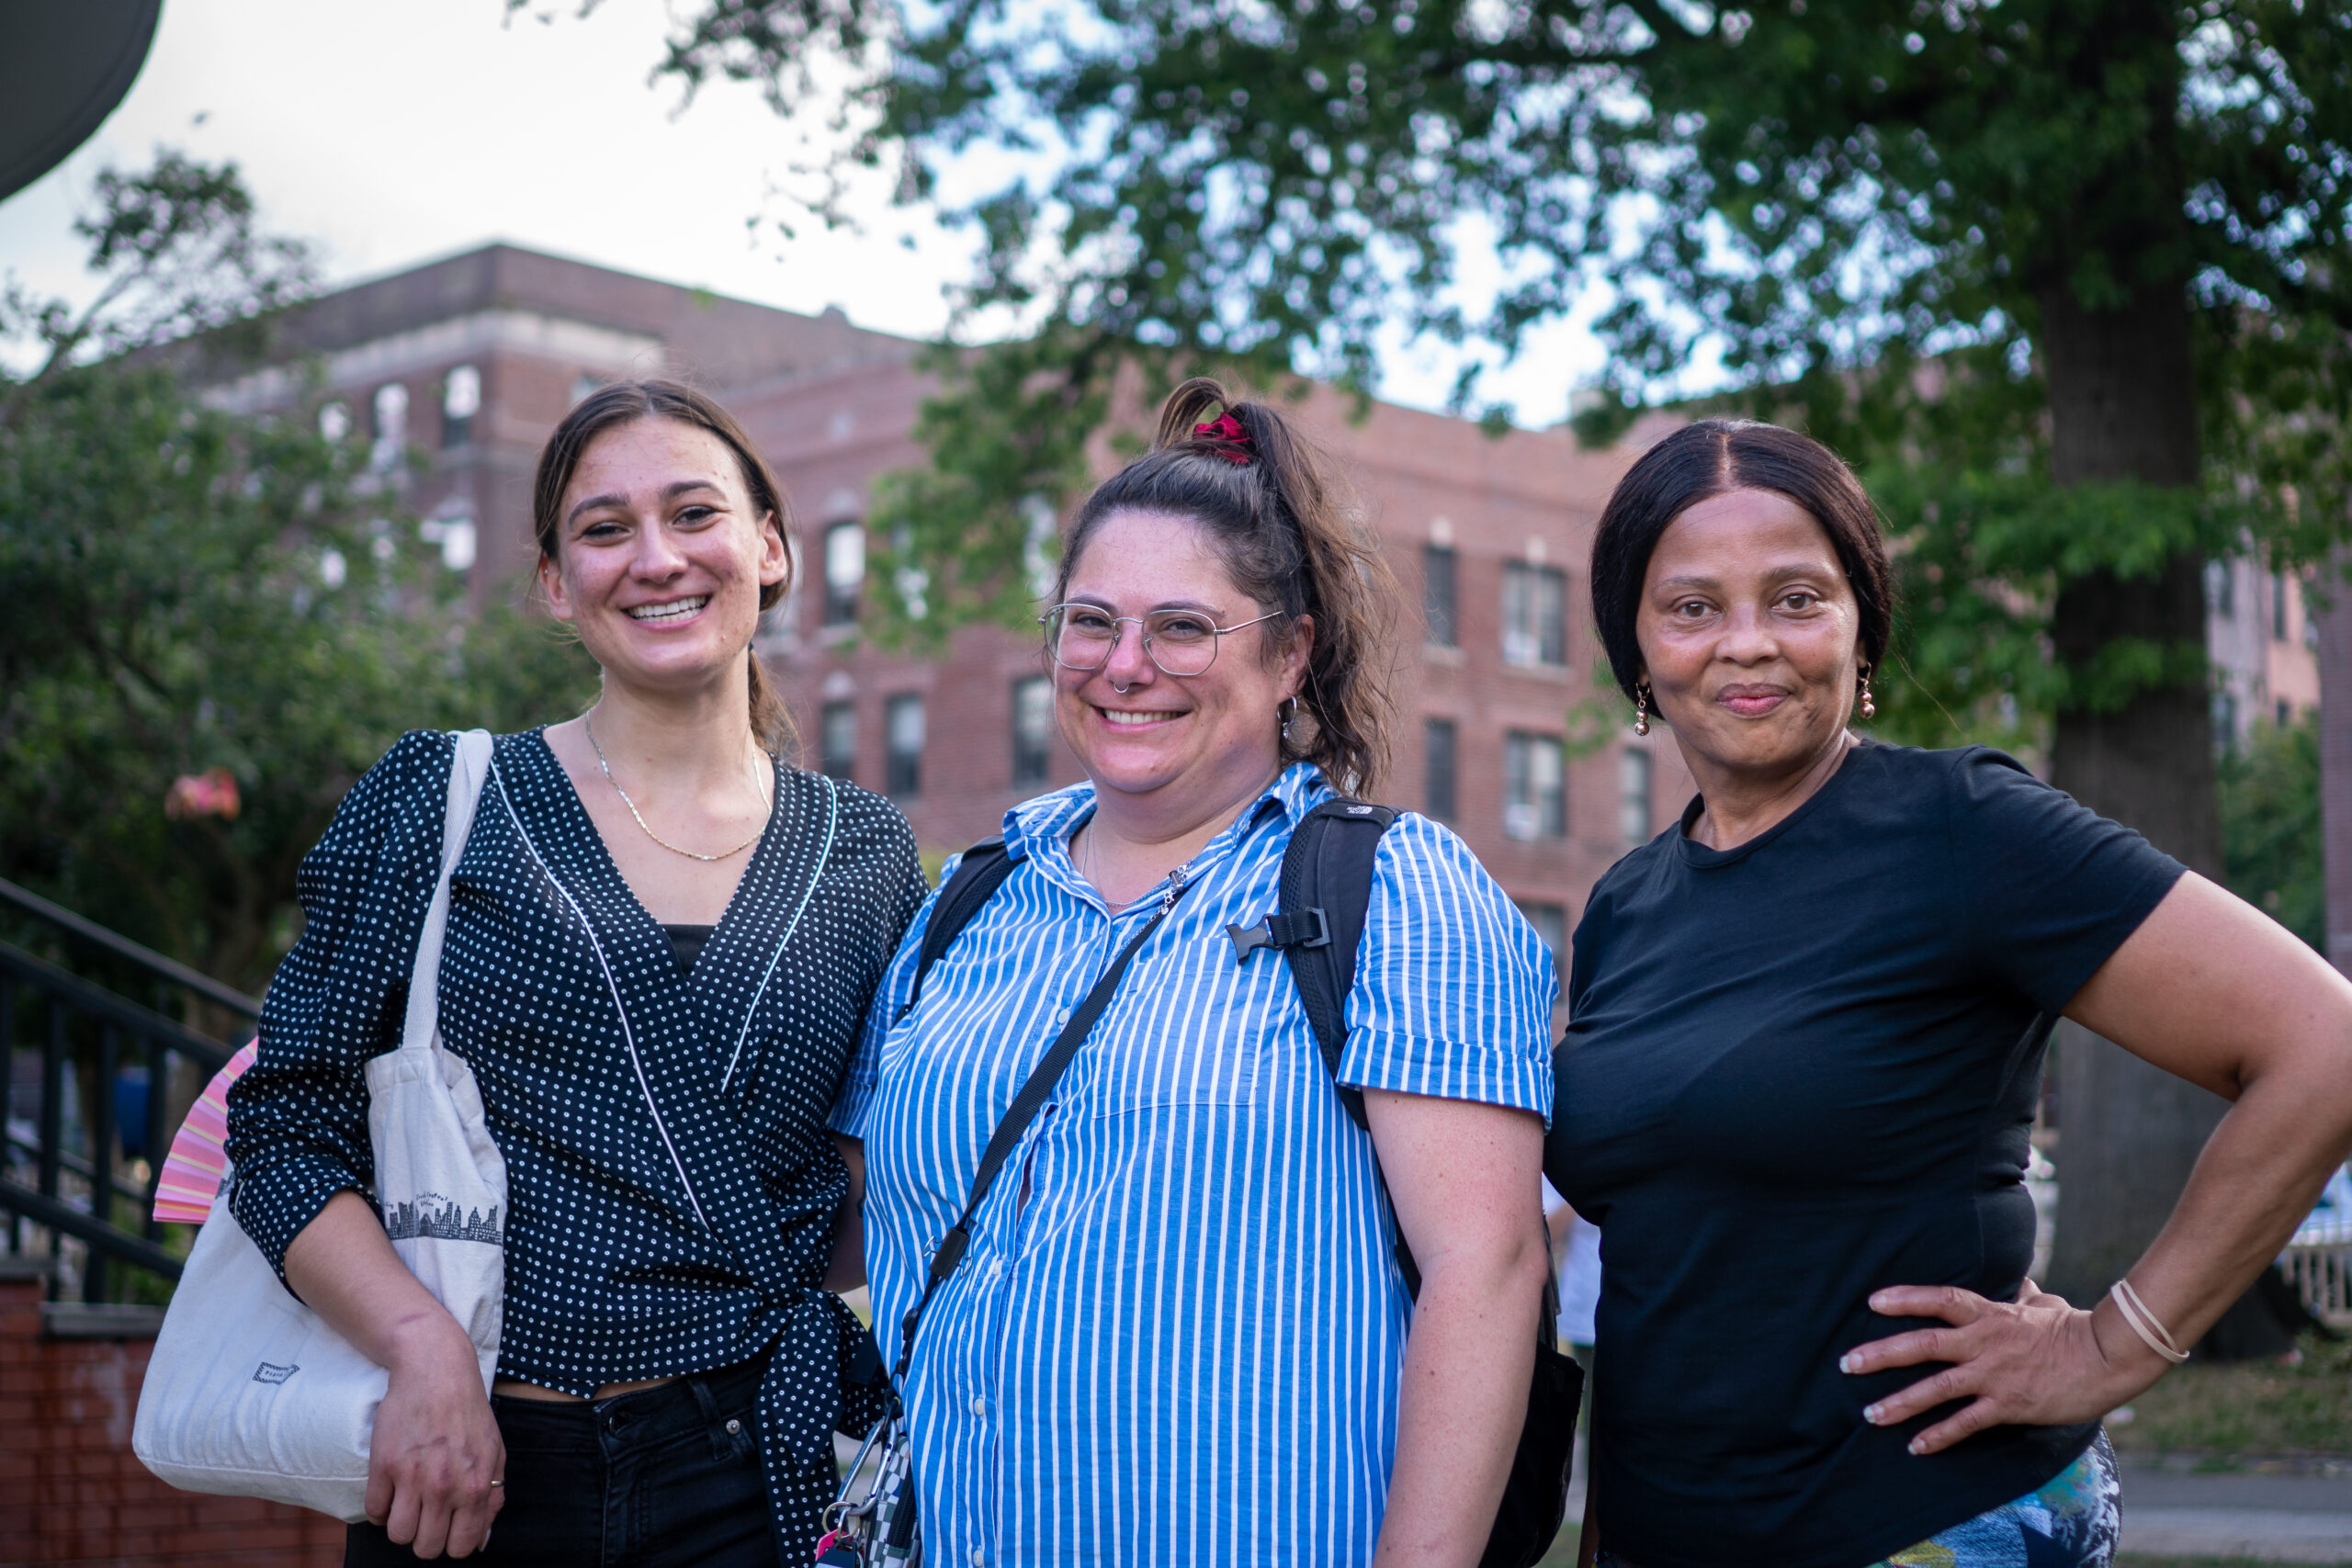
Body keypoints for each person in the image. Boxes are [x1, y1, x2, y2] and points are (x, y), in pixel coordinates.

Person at [1546, 419, 2352, 1568]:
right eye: (1691, 608)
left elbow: (2324, 1044)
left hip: (1914, 1521)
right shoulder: (1628, 903)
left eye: (1795, 598)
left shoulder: (1964, 831)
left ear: (1860, 628)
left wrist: (2113, 1344)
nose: (1746, 645)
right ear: (1633, 647)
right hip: (1664, 1523)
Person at [831, 378, 1557, 1566]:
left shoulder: (1391, 891)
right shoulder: (965, 901)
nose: (1126, 665)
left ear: (1289, 654)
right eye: (1090, 621)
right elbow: (858, 1222)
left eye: (1182, 626)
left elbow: (1491, 1269)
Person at [226, 380, 926, 1564]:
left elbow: (885, 1164)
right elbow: (286, 1125)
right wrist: (420, 1346)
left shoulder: (865, 853)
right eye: (605, 529)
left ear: (768, 546)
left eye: (693, 514)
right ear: (557, 581)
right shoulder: (445, 804)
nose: (656, 559)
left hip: (757, 1469)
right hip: (469, 1470)